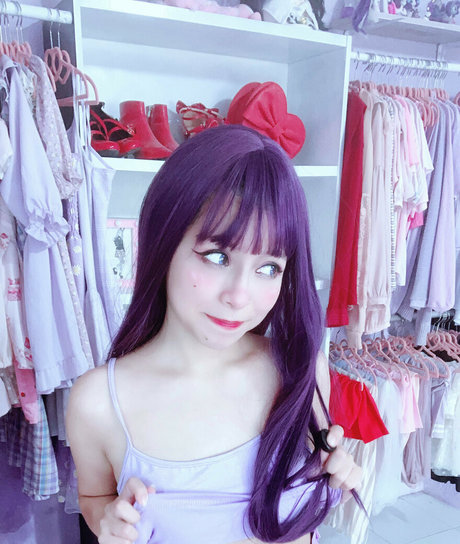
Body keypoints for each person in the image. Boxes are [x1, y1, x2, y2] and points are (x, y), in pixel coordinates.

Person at [66, 124, 362, 544]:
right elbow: (94, 497)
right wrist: (107, 520)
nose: (239, 297)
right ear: (163, 243)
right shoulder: (98, 403)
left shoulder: (300, 370)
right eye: (218, 256)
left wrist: (334, 475)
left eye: (268, 268)